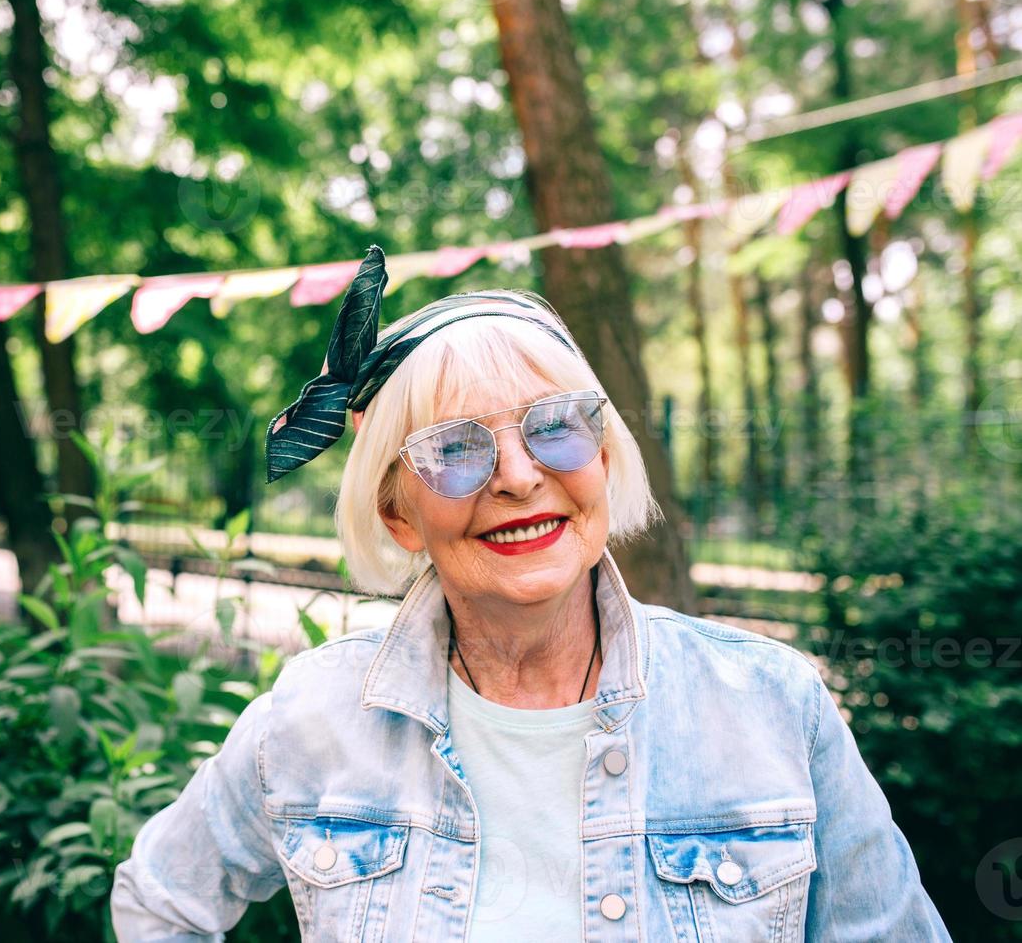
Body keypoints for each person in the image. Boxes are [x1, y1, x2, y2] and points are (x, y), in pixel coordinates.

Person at [110, 246, 951, 941]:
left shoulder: (771, 705)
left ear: (604, 456)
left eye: (555, 425)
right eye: (454, 450)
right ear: (398, 514)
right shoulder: (312, 718)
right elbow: (158, 904)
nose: (518, 477)